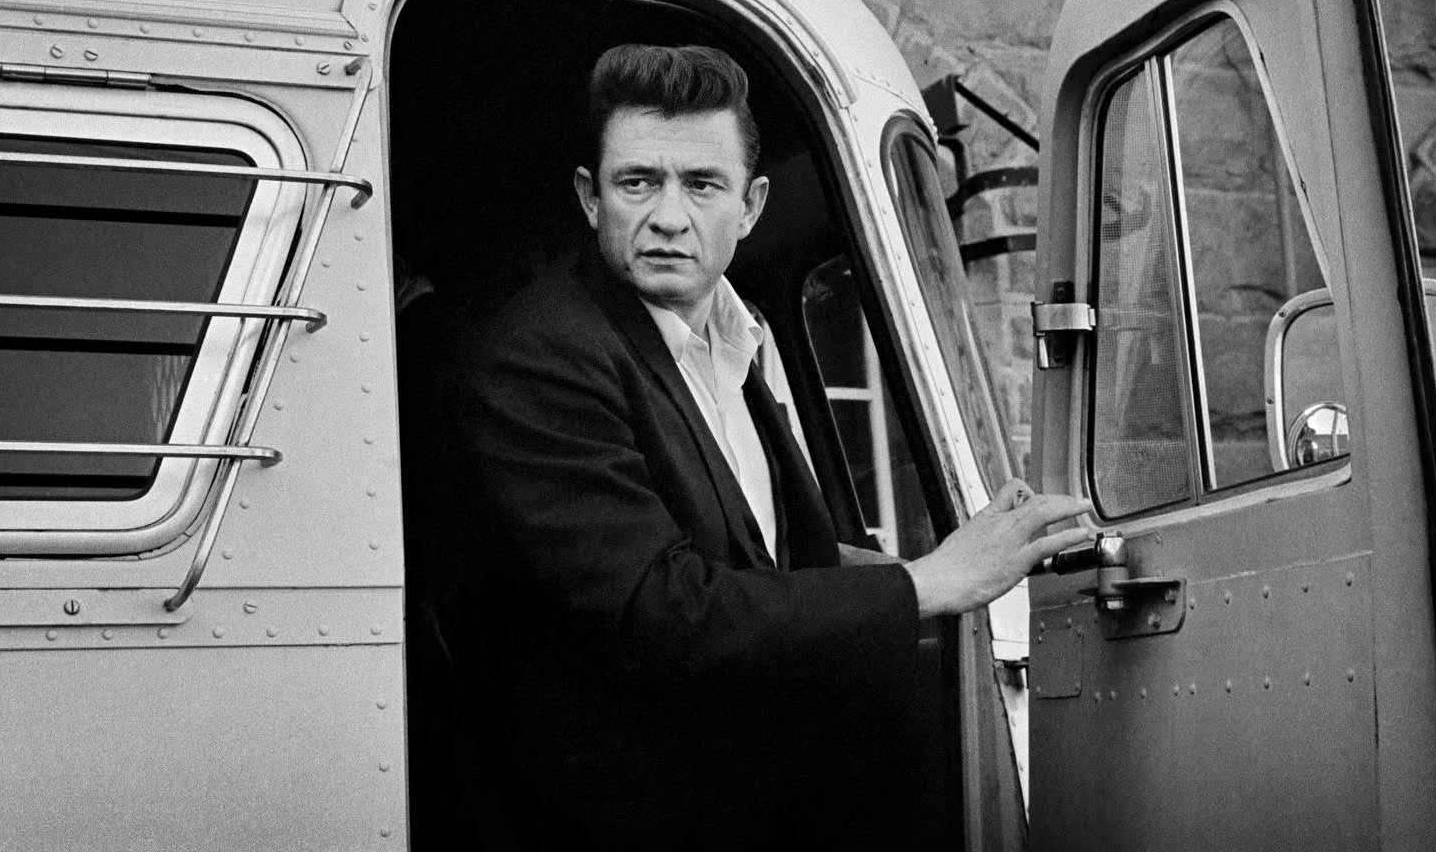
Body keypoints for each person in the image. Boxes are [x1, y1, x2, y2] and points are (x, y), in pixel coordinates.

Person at [440, 44, 1090, 851]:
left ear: (748, 206)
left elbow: (752, 549)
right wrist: (929, 581)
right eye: (637, 182)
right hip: (621, 821)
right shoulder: (540, 356)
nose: (669, 217)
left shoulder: (731, 333)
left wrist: (960, 553)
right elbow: (663, 614)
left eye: (701, 185)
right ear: (589, 197)